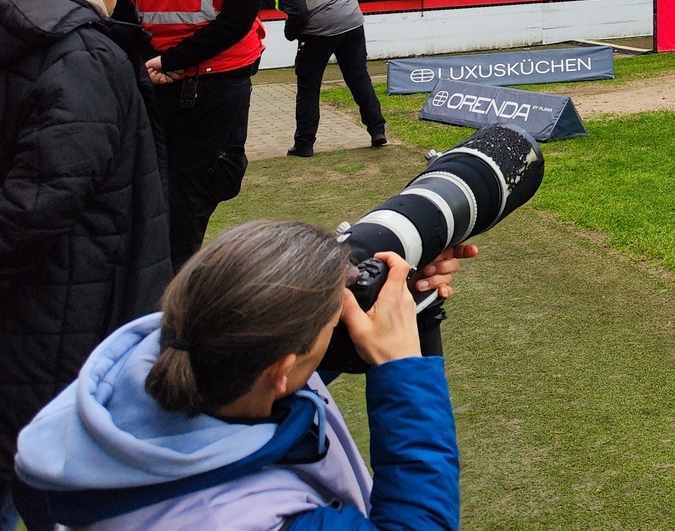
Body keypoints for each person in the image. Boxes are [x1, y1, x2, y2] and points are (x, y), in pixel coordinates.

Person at [12, 219, 471, 531]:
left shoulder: (162, 358)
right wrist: (400, 366)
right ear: (279, 371)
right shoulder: (235, 520)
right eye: (333, 321)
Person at [0, 0, 171, 525]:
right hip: (64, 308)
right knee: (47, 483)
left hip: (45, 305)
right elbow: (38, 203)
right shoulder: (78, 55)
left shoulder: (40, 38)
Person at [126, 0, 269, 268]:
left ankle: (158, 265)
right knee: (205, 181)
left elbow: (125, 22)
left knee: (166, 179)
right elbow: (235, 24)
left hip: (158, 85)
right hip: (217, 85)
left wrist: (156, 63)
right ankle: (176, 276)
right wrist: (172, 62)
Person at [260, 0, 385, 159]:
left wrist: (290, 34)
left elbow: (298, 13)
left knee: (308, 87)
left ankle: (304, 144)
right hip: (352, 23)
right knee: (358, 77)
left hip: (317, 34)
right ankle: (377, 130)